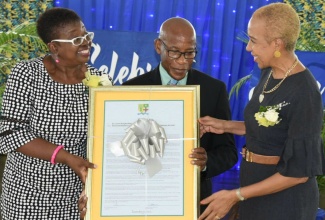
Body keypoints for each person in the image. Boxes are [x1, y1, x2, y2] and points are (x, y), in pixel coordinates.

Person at [198, 3, 325, 220]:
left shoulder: (305, 91)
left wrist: (236, 195)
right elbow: (269, 125)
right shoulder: (268, 74)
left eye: (254, 41)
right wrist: (225, 126)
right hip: (255, 188)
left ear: (277, 44)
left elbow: (299, 173)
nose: (248, 48)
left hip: (285, 201)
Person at [0, 7, 111, 219]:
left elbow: (106, 134)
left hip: (77, 196)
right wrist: (66, 157)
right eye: (76, 39)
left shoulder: (100, 79)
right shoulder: (27, 75)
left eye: (86, 35)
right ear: (55, 47)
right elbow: (10, 133)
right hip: (27, 195)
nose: (86, 42)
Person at [123, 17, 238, 213]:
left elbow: (228, 152)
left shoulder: (213, 89)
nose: (183, 62)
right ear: (159, 46)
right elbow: (121, 148)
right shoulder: (132, 89)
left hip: (193, 201)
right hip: (143, 199)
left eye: (190, 53)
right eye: (175, 52)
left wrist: (205, 163)